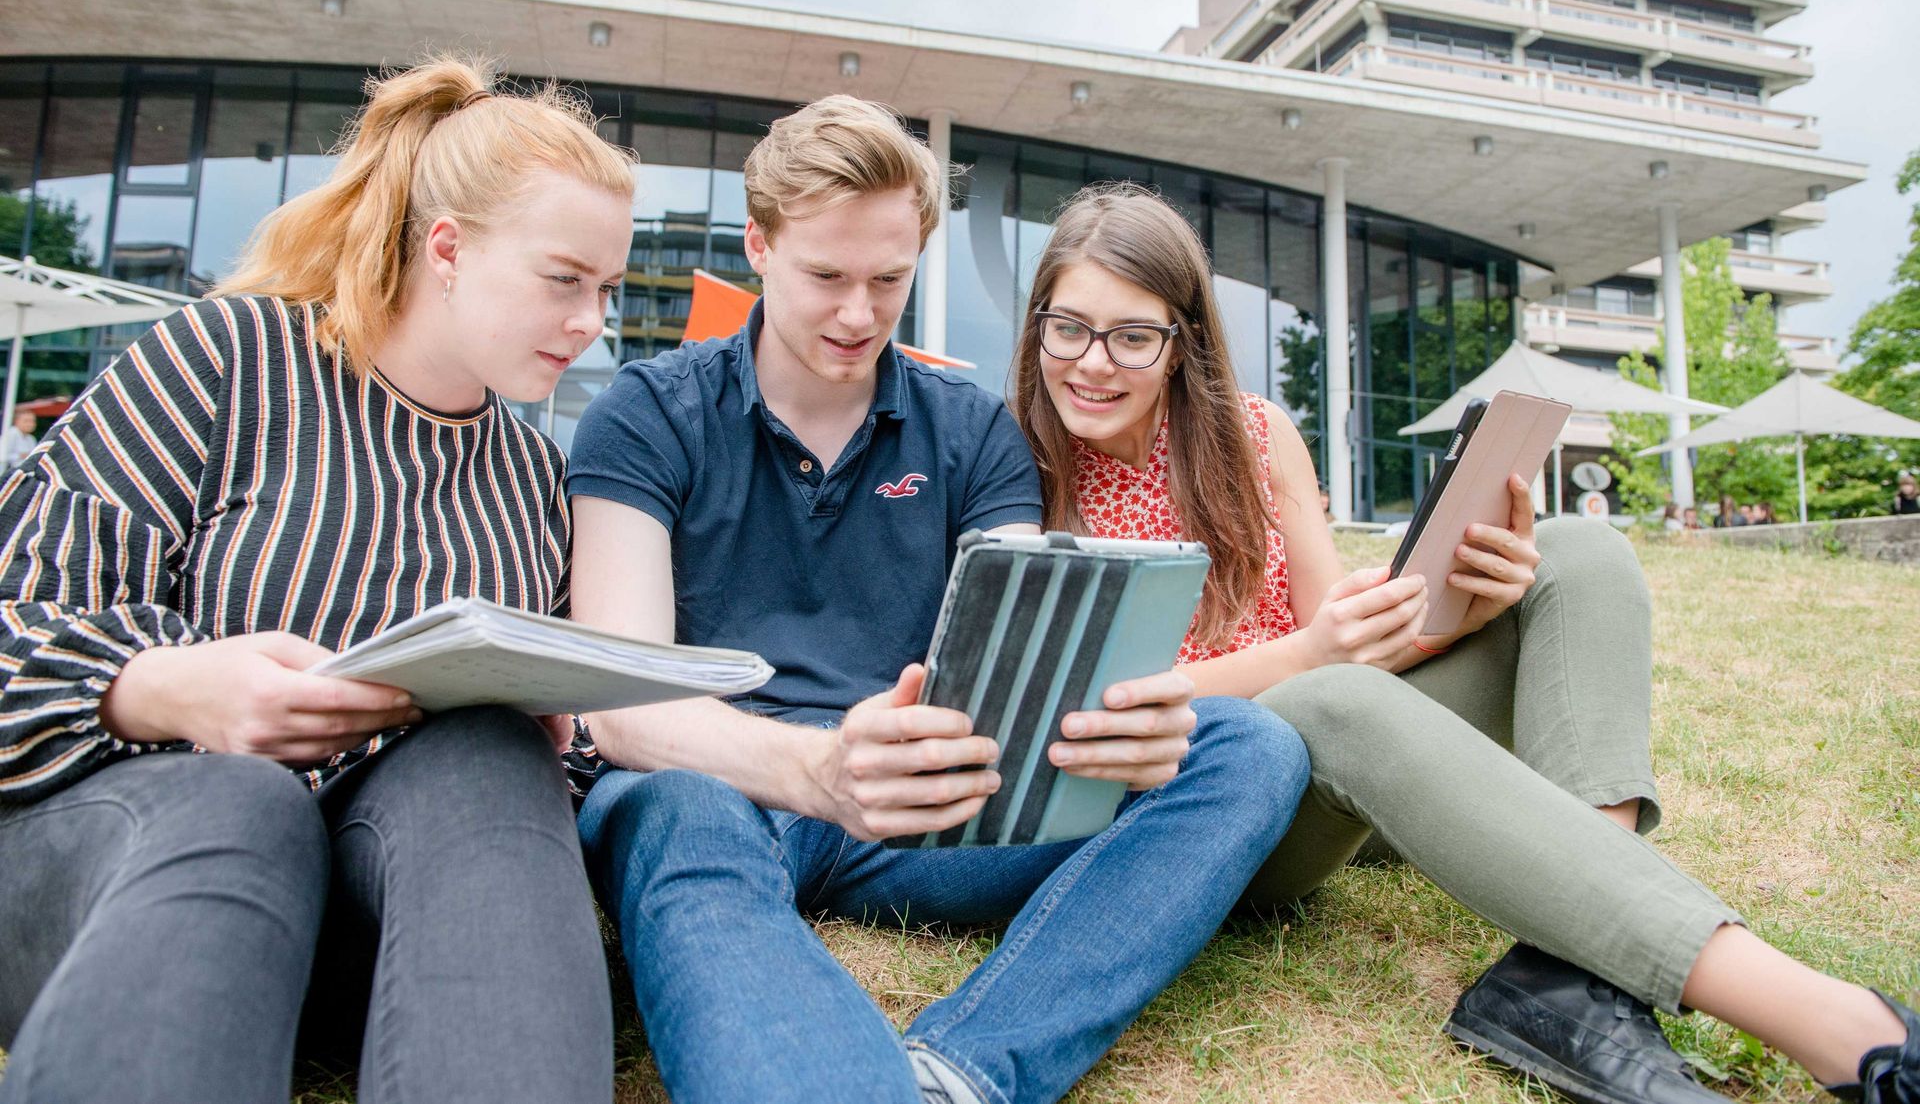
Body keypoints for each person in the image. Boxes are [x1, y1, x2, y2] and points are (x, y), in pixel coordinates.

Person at [1008, 183, 1919, 1104]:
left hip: (1357, 750)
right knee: (1328, 702)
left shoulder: (1254, 433)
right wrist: (1307, 658)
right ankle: (1842, 1028)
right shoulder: (1016, 467)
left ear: (1181, 343)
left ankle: (1572, 977)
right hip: (1216, 807)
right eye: (1069, 329)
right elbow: (1086, 708)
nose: (1095, 363)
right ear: (1037, 324)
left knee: (1579, 552)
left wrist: (1472, 611)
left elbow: (1353, 638)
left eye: (1134, 335)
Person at [562, 96, 1310, 1104]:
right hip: (717, 776)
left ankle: (962, 1068)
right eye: (825, 276)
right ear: (758, 245)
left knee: (1244, 746)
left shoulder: (971, 430)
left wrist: (1111, 729)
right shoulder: (648, 413)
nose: (859, 315)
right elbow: (619, 698)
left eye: (889, 279)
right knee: (680, 820)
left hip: (920, 804)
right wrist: (816, 767)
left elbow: (1024, 639)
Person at [0, 56, 633, 1104]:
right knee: (242, 799)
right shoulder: (223, 357)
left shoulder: (531, 479)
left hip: (373, 923)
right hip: (123, 870)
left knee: (489, 757)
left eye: (606, 290)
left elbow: (555, 788)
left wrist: (557, 733)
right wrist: (166, 685)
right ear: (448, 249)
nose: (590, 323)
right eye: (564, 280)